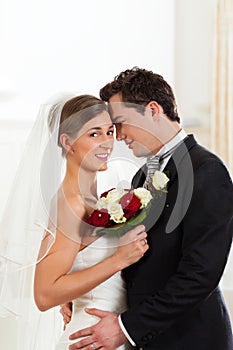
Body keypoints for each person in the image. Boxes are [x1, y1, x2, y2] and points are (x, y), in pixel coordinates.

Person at [65, 68, 233, 350]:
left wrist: (125, 328)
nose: (117, 136)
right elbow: (137, 255)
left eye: (120, 123)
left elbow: (199, 275)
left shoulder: (207, 171)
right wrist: (84, 290)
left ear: (153, 109)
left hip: (191, 340)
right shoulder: (141, 176)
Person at [0, 94, 149, 350]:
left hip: (112, 333)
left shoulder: (96, 197)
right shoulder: (71, 204)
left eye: (110, 132)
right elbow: (45, 295)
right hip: (90, 338)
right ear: (67, 142)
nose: (107, 143)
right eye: (94, 134)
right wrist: (119, 259)